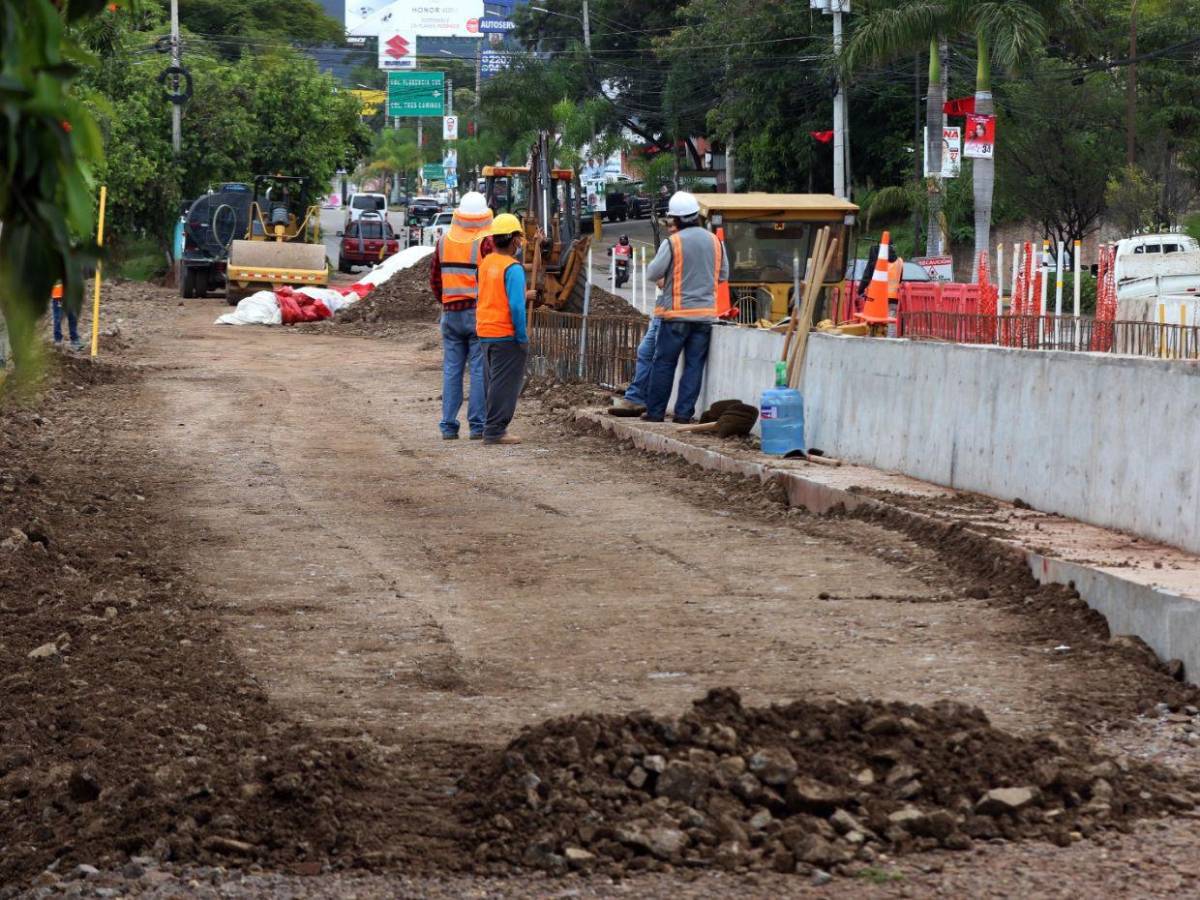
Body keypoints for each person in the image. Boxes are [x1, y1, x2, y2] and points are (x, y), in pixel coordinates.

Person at [641, 191, 728, 424]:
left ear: (676, 219)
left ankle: (656, 412)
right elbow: (723, 275)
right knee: (693, 366)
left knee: (664, 364)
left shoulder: (674, 242)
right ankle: (683, 414)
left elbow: (652, 273)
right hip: (704, 318)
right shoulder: (715, 241)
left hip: (675, 317)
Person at [429, 191, 493, 440]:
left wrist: (446, 301)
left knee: (452, 369)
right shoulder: (485, 244)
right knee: (478, 369)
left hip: (450, 314)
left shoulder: (444, 241)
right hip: (476, 313)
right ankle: (477, 426)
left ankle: (448, 425)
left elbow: (435, 279)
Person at [476, 214, 535, 445]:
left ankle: (490, 427)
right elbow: (517, 307)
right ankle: (495, 431)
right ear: (513, 241)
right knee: (505, 385)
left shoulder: (487, 262)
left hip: (485, 331)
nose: (520, 243)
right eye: (519, 239)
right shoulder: (513, 268)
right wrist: (521, 337)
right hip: (505, 334)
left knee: (492, 382)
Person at [51, 282, 83, 351]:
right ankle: (58, 340)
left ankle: (75, 340)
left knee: (72, 317)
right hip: (58, 296)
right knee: (58, 318)